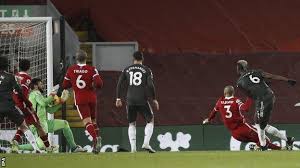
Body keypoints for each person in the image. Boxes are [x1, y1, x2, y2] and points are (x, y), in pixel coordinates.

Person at [236, 60, 296, 150]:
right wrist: (286, 80)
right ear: (246, 67)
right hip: (269, 95)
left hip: (262, 100)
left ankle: (263, 146)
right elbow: (271, 76)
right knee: (259, 123)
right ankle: (288, 139)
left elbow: (250, 95)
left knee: (260, 125)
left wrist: (252, 101)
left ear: (238, 68)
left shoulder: (239, 83)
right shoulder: (257, 72)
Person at [16, 78, 85, 153]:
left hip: (44, 123)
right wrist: (52, 95)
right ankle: (17, 147)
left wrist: (62, 101)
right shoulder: (35, 93)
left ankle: (74, 147)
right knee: (41, 146)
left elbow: (50, 110)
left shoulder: (39, 95)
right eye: (41, 84)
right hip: (36, 125)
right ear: (35, 86)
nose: (43, 86)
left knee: (65, 123)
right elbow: (43, 103)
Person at [203, 85, 281, 150]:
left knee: (262, 142)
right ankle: (256, 147)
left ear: (224, 93)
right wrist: (250, 97)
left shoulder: (220, 101)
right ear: (233, 92)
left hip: (235, 135)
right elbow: (245, 108)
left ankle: (280, 149)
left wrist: (209, 119)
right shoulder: (235, 100)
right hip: (243, 129)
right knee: (265, 140)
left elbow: (214, 111)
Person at [116, 51, 159, 153]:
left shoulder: (126, 69)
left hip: (130, 99)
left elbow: (119, 83)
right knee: (150, 120)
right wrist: (154, 98)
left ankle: (133, 149)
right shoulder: (147, 70)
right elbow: (150, 85)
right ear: (142, 59)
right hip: (141, 98)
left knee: (131, 123)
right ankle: (146, 143)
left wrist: (118, 98)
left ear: (133, 59)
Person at [62, 50, 103, 154]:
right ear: (86, 58)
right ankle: (98, 138)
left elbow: (65, 85)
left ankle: (95, 140)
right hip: (92, 98)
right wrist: (92, 85)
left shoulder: (71, 69)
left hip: (80, 99)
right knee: (93, 121)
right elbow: (99, 84)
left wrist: (74, 84)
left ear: (76, 59)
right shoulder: (92, 69)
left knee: (87, 122)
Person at [0, 56, 41, 153]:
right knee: (24, 126)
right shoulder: (10, 77)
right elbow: (20, 93)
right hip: (9, 107)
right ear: (7, 65)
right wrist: (29, 104)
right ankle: (36, 148)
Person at [11, 59, 51, 152]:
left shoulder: (14, 76)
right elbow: (23, 94)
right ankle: (48, 147)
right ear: (29, 67)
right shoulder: (27, 78)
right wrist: (29, 105)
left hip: (14, 104)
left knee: (23, 124)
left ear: (19, 66)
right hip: (23, 105)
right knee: (38, 125)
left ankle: (14, 143)